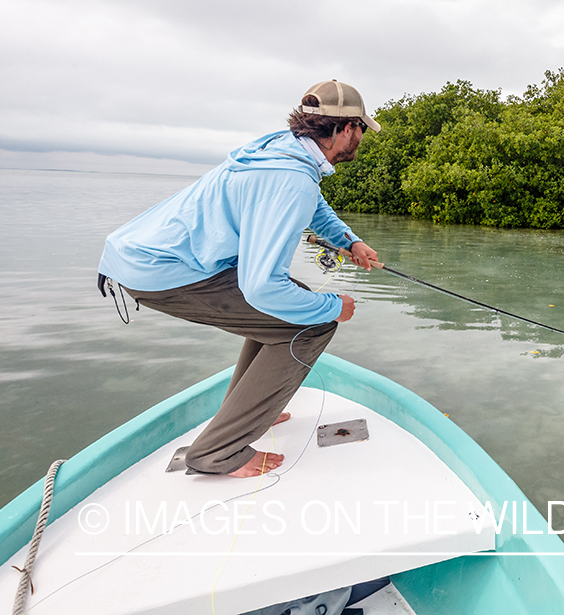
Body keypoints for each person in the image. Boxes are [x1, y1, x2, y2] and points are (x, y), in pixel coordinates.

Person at [97, 80, 382, 478]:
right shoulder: (291, 178)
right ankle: (217, 453)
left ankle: (248, 410)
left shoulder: (282, 151)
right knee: (313, 322)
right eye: (362, 129)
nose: (361, 138)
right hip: (164, 269)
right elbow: (262, 286)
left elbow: (314, 205)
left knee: (291, 306)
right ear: (347, 128)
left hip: (139, 255)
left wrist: (349, 241)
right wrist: (335, 307)